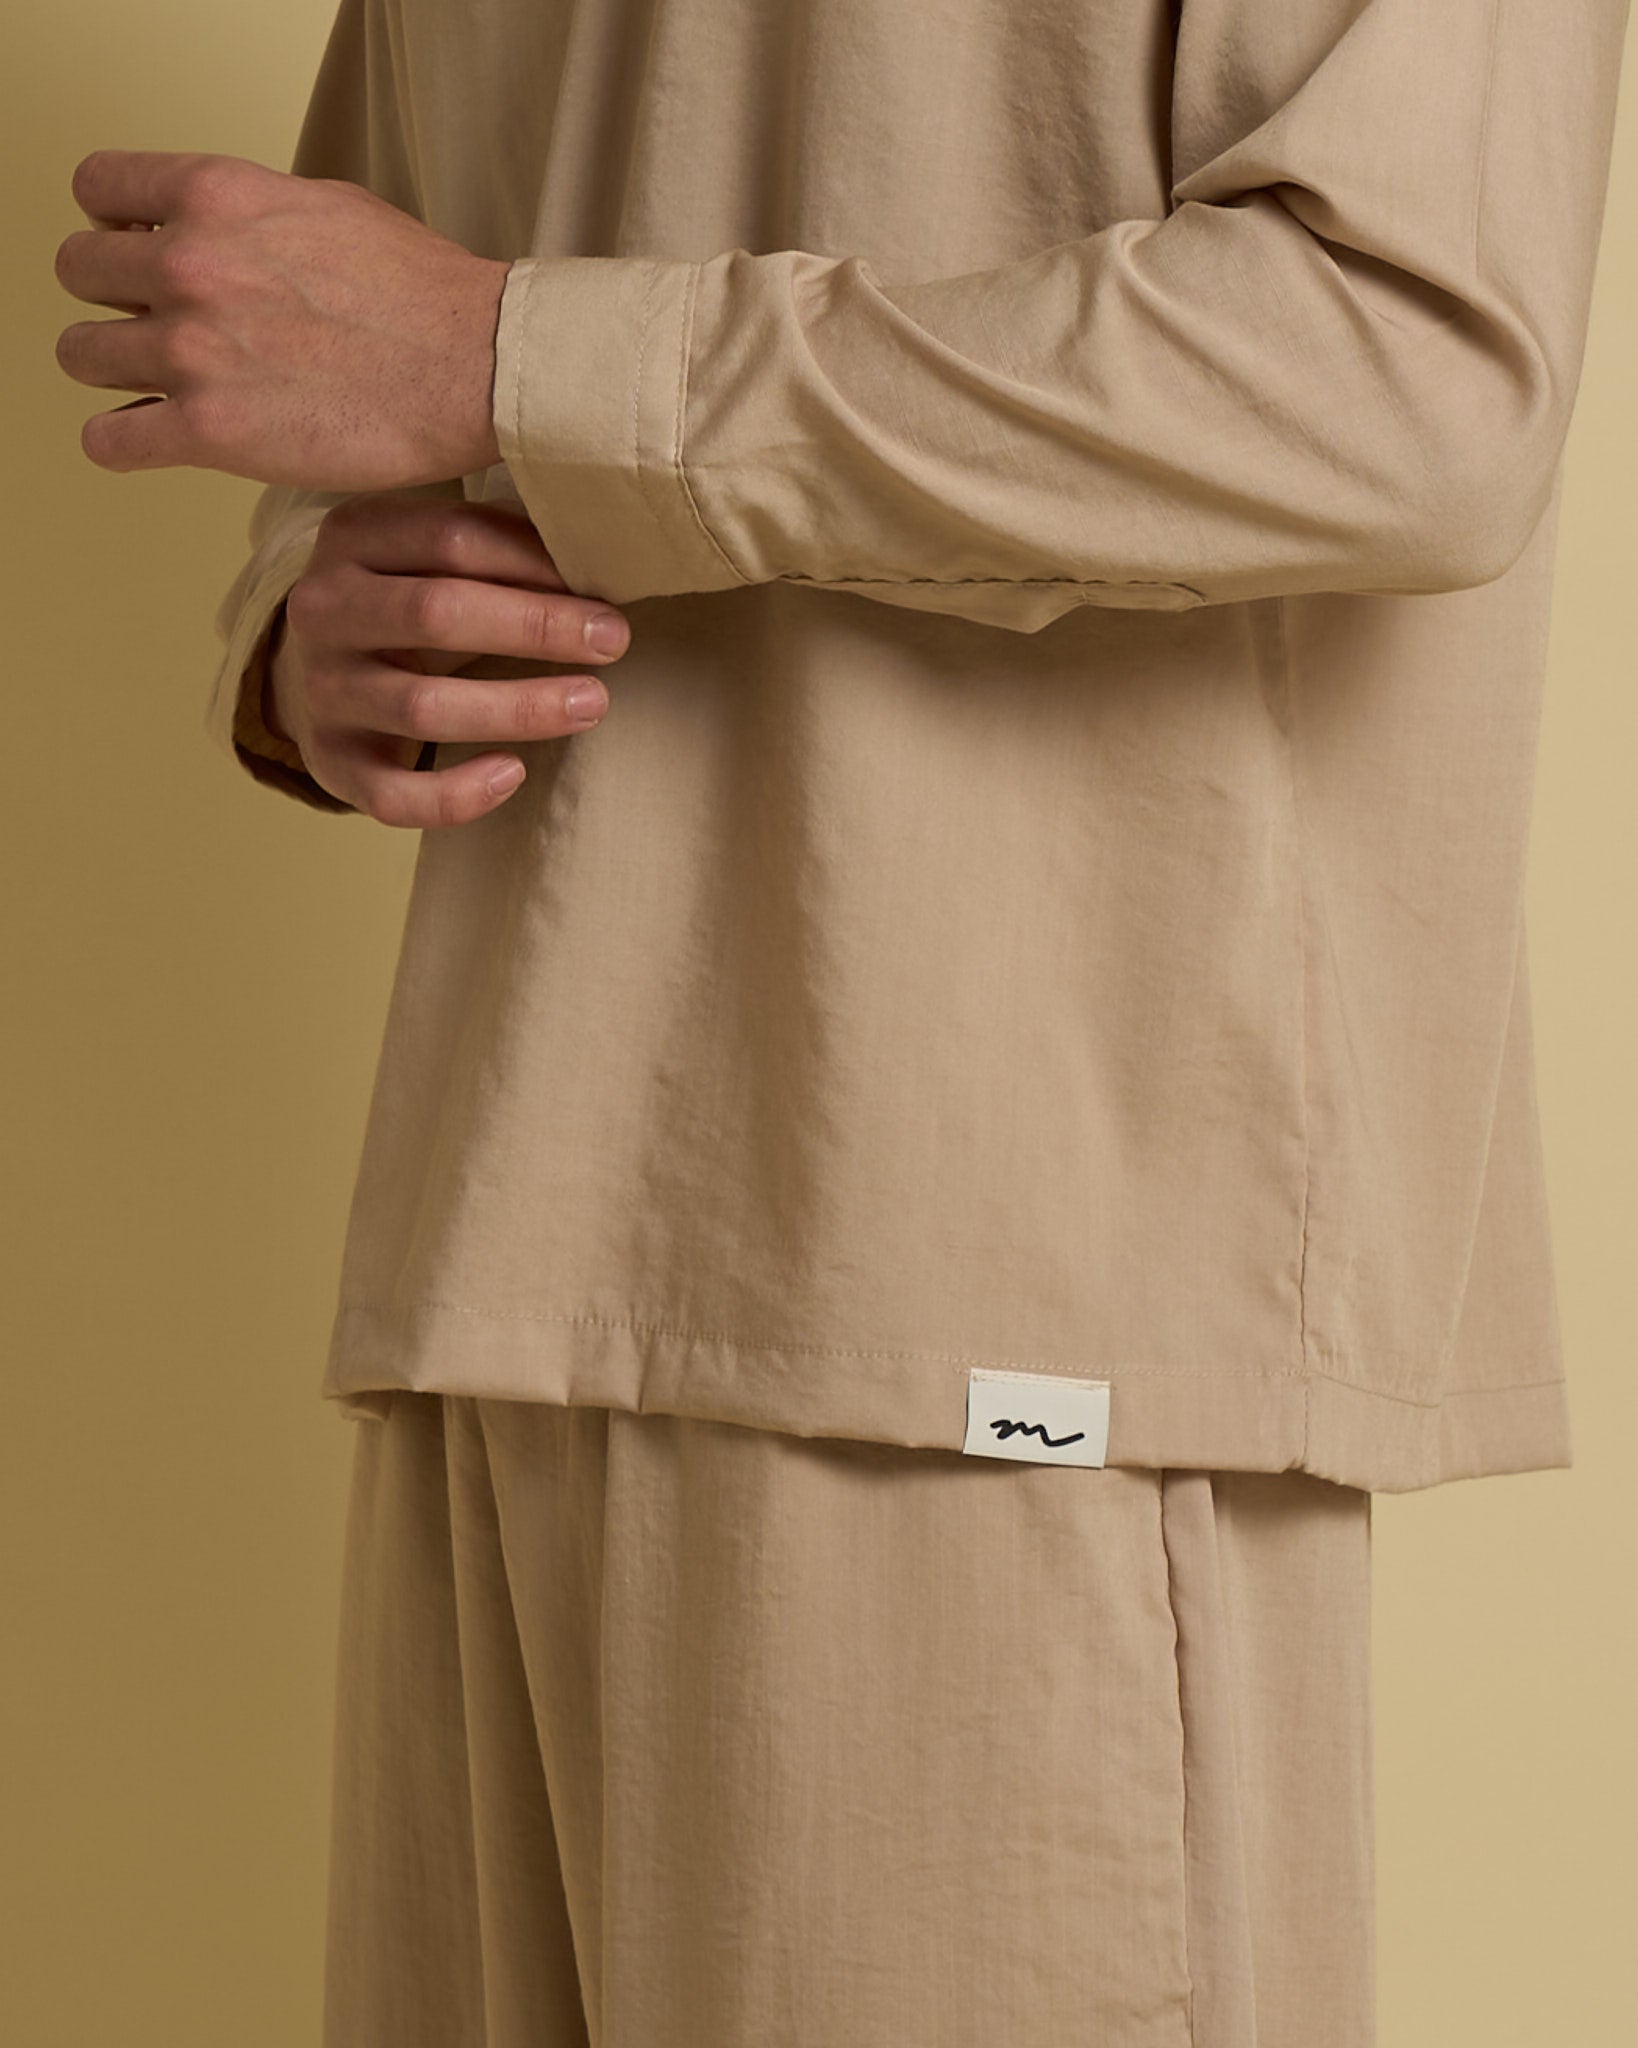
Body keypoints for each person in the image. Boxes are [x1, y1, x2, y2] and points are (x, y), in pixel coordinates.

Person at [53, 1, 1631, 2041]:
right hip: (508, 1248)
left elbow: (1408, 369)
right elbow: (377, 315)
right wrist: (319, 620)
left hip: (1007, 1296)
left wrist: (525, 360)